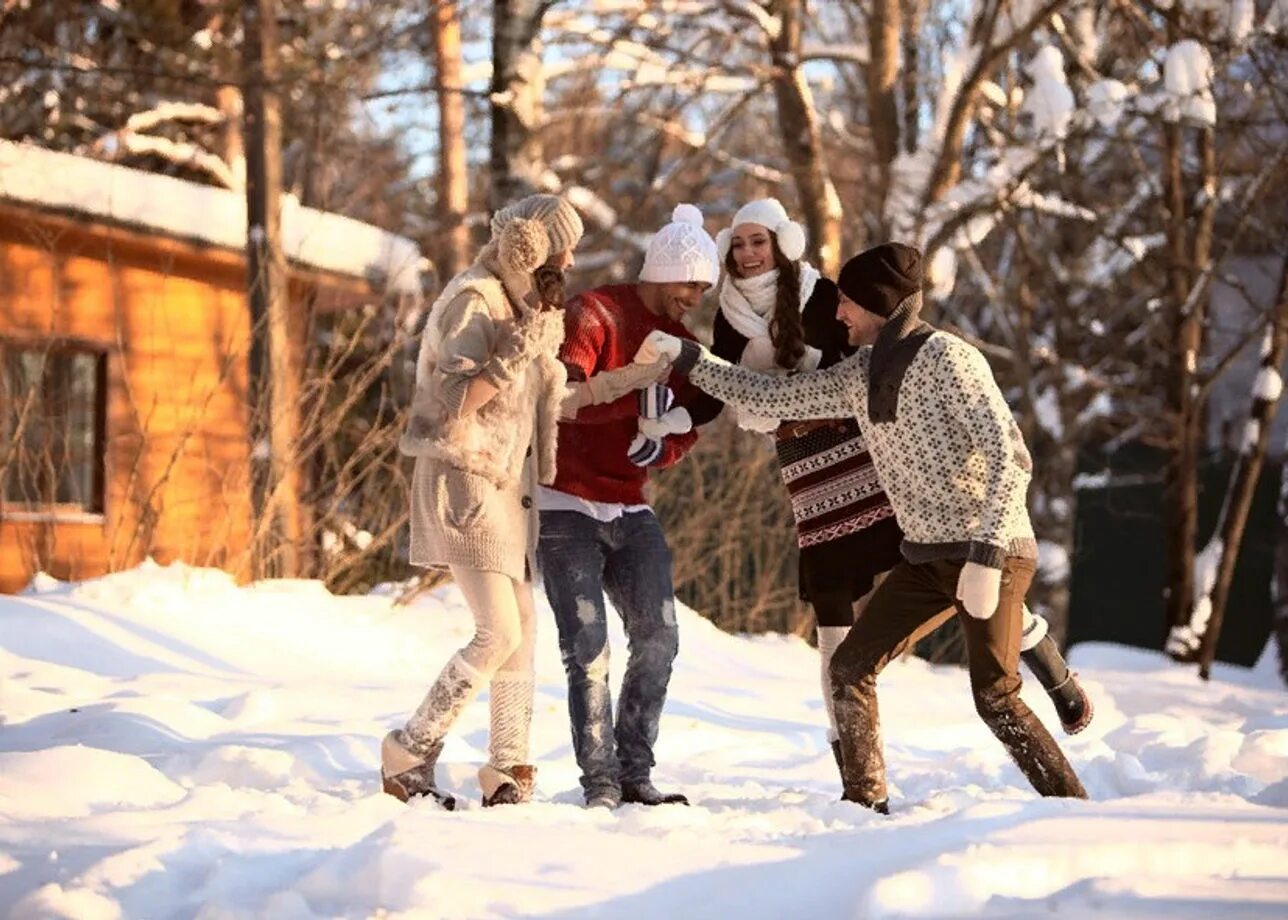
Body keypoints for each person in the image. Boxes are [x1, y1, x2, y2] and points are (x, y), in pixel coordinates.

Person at [638, 242, 1088, 812]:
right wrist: (690, 359)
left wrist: (986, 555)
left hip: (990, 551)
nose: (838, 314)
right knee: (849, 668)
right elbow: (772, 395)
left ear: (878, 303)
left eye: (847, 302)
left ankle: (1073, 808)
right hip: (925, 559)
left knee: (995, 698)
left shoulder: (951, 359)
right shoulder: (858, 374)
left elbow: (1011, 458)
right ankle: (863, 804)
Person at [382, 194, 662, 809]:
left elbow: (560, 402)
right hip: (462, 477)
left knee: (522, 630)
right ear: (528, 245)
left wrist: (635, 378)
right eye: (561, 246)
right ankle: (408, 749)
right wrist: (512, 352)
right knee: (497, 630)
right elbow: (445, 401)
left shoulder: (530, 309)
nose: (569, 259)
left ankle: (507, 770)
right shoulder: (474, 299)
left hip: (509, 490)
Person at [538, 203, 723, 809]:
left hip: (629, 507)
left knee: (659, 638)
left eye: (704, 285)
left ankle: (635, 771)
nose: (695, 295)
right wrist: (631, 404)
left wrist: (665, 444)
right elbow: (561, 399)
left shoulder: (686, 343)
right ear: (661, 269)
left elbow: (694, 416)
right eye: (689, 281)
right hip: (563, 501)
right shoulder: (595, 313)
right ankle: (601, 784)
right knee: (586, 646)